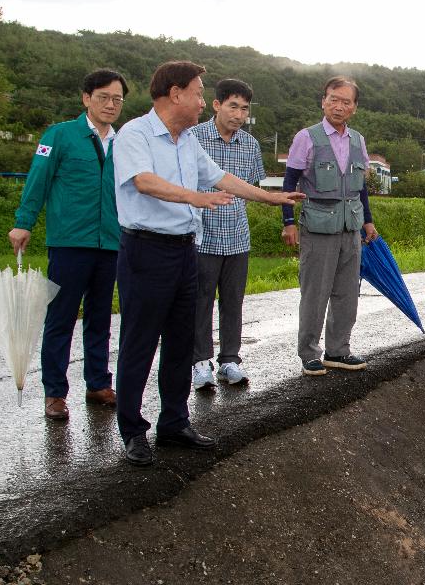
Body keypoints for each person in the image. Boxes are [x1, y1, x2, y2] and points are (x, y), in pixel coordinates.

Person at [112, 61, 302, 467]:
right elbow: (142, 181)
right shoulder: (136, 133)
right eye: (198, 93)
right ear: (175, 93)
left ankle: (174, 423)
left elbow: (221, 179)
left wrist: (272, 199)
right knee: (139, 343)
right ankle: (132, 430)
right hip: (146, 250)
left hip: (185, 249)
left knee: (183, 342)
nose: (202, 101)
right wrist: (191, 197)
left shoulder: (186, 142)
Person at [9, 69, 128, 420]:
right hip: (69, 242)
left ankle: (98, 383)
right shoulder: (59, 136)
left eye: (117, 99)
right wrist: (23, 222)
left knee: (100, 317)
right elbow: (38, 180)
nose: (110, 104)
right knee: (61, 318)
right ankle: (55, 393)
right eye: (104, 97)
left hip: (111, 242)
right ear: (86, 98)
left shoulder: (124, 143)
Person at [281, 76, 378, 376]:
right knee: (315, 292)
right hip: (318, 225)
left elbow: (360, 186)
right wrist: (288, 222)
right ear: (323, 101)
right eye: (333, 99)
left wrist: (368, 221)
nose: (338, 106)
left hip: (351, 225)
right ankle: (309, 352)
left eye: (345, 102)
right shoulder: (306, 137)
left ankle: (338, 350)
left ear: (354, 108)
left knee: (347, 292)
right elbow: (289, 183)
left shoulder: (357, 140)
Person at [190, 78, 265, 390]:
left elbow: (252, 187)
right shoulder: (193, 138)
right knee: (200, 300)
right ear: (217, 104)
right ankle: (200, 362)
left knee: (233, 300)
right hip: (202, 235)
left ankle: (230, 360)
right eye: (233, 106)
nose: (238, 114)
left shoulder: (250, 145)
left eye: (244, 109)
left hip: (237, 236)